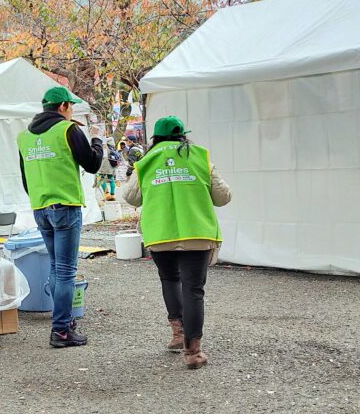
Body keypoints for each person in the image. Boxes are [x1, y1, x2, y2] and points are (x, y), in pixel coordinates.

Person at [122, 116, 232, 369]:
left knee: (170, 280)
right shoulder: (200, 156)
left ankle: (177, 335)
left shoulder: (146, 162)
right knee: (194, 289)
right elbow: (223, 196)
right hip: (197, 232)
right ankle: (193, 353)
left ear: (155, 138)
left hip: (161, 234)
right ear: (183, 135)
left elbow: (131, 197)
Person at [18, 86, 105, 349]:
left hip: (40, 207)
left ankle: (65, 322)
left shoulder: (24, 137)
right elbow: (92, 163)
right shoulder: (68, 130)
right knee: (66, 270)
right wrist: (97, 139)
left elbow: (25, 179)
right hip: (65, 206)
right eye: (71, 106)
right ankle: (61, 330)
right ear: (64, 106)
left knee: (57, 266)